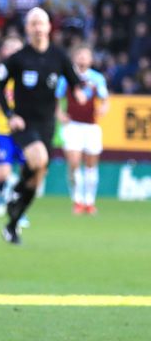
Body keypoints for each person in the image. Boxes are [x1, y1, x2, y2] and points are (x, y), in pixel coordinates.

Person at [0, 7, 85, 245]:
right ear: (27, 28)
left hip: (47, 125)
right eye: (32, 23)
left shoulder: (59, 56)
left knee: (36, 178)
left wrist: (79, 94)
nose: (37, 28)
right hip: (24, 123)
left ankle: (12, 224)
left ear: (48, 27)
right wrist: (10, 114)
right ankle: (15, 192)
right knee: (39, 159)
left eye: (40, 23)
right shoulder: (19, 58)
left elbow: (75, 82)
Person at [55, 45, 109, 215]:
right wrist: (59, 114)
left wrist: (104, 108)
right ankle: (77, 200)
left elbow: (105, 99)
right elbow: (56, 99)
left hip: (91, 126)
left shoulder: (97, 78)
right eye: (80, 55)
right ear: (75, 58)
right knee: (74, 163)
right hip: (72, 126)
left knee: (91, 165)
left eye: (86, 56)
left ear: (91, 60)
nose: (83, 59)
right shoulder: (66, 78)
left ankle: (89, 201)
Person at [0, 35, 29, 224]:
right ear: (5, 52)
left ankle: (19, 209)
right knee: (3, 172)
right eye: (11, 49)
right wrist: (2, 105)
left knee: (27, 171)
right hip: (3, 129)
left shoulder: (27, 74)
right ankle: (2, 193)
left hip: (25, 130)